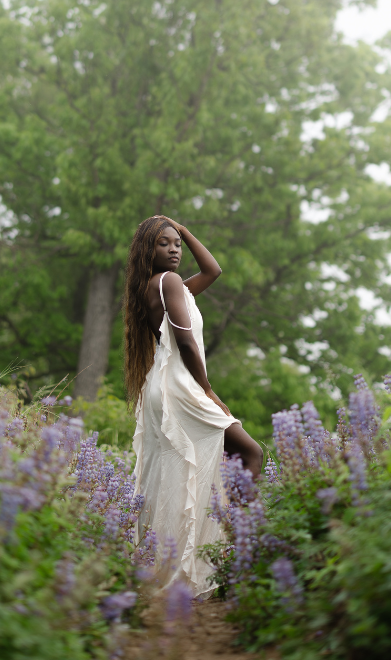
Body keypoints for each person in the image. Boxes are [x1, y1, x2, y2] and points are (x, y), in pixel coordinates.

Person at [125, 215, 263, 597]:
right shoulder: (168, 282)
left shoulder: (167, 286)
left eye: (177, 244)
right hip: (181, 387)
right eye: (163, 243)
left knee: (180, 473)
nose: (173, 250)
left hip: (164, 387)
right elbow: (185, 341)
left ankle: (181, 564)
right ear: (147, 250)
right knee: (250, 453)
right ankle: (244, 557)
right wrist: (209, 390)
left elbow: (213, 270)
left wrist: (183, 230)